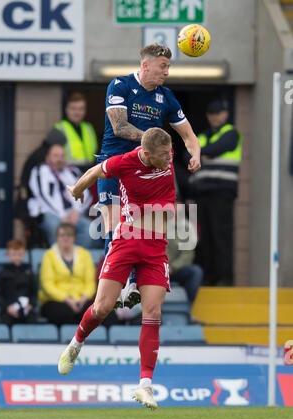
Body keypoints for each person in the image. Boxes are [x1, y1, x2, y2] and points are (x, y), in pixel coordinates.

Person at [58, 127, 198, 409]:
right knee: (102, 307)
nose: (169, 159)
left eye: (169, 153)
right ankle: (76, 343)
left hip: (156, 245)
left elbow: (183, 140)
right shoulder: (125, 162)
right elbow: (96, 171)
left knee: (154, 312)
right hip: (127, 240)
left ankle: (145, 385)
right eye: (163, 155)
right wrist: (77, 189)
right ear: (146, 154)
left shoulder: (166, 155)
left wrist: (194, 152)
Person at [97, 43, 201, 308]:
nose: (166, 72)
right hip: (115, 165)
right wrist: (152, 142)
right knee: (113, 227)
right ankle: (115, 287)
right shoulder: (120, 85)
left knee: (142, 231)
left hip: (146, 173)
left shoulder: (166, 97)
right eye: (162, 67)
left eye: (168, 67)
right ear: (145, 65)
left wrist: (195, 153)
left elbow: (188, 135)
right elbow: (119, 126)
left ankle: (133, 284)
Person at [187, 99, 243, 286]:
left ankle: (225, 278)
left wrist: (200, 154)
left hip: (221, 192)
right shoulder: (201, 136)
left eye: (218, 113)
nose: (214, 117)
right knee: (205, 237)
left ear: (225, 114)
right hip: (202, 193)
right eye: (211, 113)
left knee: (221, 236)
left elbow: (221, 147)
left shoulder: (231, 133)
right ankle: (210, 277)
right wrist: (204, 153)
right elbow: (185, 155)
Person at [27, 143, 97, 248]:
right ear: (48, 158)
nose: (59, 159)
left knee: (89, 228)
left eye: (62, 156)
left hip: (73, 214)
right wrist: (62, 215)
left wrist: (77, 211)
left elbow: (86, 193)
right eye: (55, 156)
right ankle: (60, 261)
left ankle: (77, 261)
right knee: (56, 227)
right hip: (50, 213)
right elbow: (43, 196)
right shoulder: (40, 170)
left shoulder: (72, 171)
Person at [39, 223, 97, 326]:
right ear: (57, 237)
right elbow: (47, 285)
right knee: (62, 313)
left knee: (95, 312)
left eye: (69, 235)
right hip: (56, 300)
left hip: (81, 299)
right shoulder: (49, 255)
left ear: (74, 238)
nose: (65, 238)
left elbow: (90, 283)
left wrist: (82, 299)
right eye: (62, 235)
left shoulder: (85, 254)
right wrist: (68, 300)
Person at [166, 204, 203, 321]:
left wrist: (173, 267)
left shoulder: (187, 227)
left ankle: (187, 310)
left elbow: (188, 253)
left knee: (195, 272)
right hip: (156, 269)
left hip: (174, 270)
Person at [0, 240, 37, 326]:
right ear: (8, 255)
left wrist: (30, 305)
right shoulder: (3, 273)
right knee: (5, 321)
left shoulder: (29, 273)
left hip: (26, 309)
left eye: (20, 254)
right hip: (8, 309)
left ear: (24, 254)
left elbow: (34, 293)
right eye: (14, 254)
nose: (17, 257)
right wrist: (7, 307)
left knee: (32, 320)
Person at [55, 91, 98, 171]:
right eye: (73, 108)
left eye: (81, 109)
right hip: (67, 173)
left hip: (88, 173)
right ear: (66, 109)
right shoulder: (59, 128)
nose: (77, 112)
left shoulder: (89, 128)